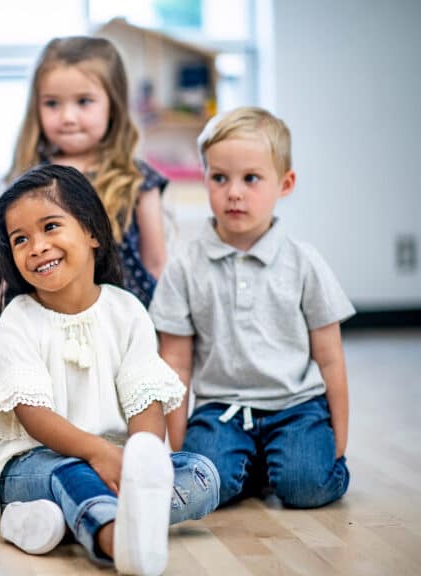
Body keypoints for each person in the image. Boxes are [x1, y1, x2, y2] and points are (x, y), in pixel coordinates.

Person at [0, 165, 219, 575]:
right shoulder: (19, 319)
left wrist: (138, 462)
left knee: (202, 475)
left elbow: (144, 403)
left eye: (50, 226)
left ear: (92, 233)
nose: (37, 246)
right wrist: (97, 452)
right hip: (31, 463)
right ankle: (113, 536)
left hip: (114, 460)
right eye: (21, 239)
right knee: (68, 473)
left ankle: (47, 523)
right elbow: (34, 417)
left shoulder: (127, 311)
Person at [150, 106, 354, 509]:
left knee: (307, 487)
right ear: (205, 178)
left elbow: (330, 359)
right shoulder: (186, 265)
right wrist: (180, 453)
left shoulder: (304, 261)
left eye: (251, 179)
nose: (234, 192)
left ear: (286, 183)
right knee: (202, 486)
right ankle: (250, 467)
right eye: (219, 178)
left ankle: (278, 464)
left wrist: (338, 445)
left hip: (296, 407)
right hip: (221, 410)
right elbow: (175, 363)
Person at [7, 36, 168, 307]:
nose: (68, 117)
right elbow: (10, 267)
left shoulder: (137, 180)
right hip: (49, 321)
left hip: (125, 321)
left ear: (113, 107)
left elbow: (156, 262)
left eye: (83, 102)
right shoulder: (29, 181)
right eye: (52, 104)